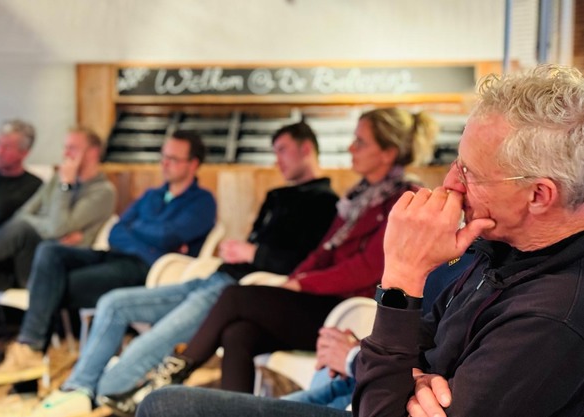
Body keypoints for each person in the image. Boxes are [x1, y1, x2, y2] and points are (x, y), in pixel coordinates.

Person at [138, 64, 584, 417]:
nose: (451, 182)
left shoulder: (551, 318)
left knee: (167, 404)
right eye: (456, 163)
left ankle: (157, 372)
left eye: (471, 172)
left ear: (538, 195)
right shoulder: (496, 249)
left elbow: (386, 347)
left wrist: (402, 275)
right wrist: (411, 375)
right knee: (203, 365)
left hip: (364, 371)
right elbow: (421, 336)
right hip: (370, 385)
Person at [101, 107, 438, 417]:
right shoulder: (359, 196)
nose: (351, 148)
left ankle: (167, 376)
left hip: (352, 313)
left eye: (360, 142)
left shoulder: (402, 199)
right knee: (238, 333)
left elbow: (367, 269)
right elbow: (322, 252)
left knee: (235, 296)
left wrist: (300, 283)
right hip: (321, 301)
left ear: (387, 152)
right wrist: (296, 279)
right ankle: (231, 411)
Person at [22, 121, 339, 417]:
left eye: (282, 150)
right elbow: (119, 230)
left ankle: (98, 394)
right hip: (214, 275)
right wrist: (241, 251)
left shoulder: (324, 203)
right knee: (112, 302)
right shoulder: (275, 196)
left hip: (241, 291)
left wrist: (254, 252)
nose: (276, 159)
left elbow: (304, 263)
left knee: (160, 335)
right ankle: (78, 387)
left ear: (305, 149)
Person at [0, 130, 217, 388]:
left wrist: (138, 231)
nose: (165, 163)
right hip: (115, 256)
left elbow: (167, 236)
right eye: (163, 157)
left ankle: (27, 365)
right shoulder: (152, 195)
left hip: (148, 270)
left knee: (50, 286)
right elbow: (117, 231)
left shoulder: (203, 202)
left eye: (173, 159)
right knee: (50, 251)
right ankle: (30, 353)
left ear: (193, 164)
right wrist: (148, 239)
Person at [0, 126, 115, 326]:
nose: (66, 154)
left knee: (22, 229)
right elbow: (23, 213)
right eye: (65, 148)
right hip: (20, 261)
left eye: (72, 148)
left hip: (51, 268)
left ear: (93, 153)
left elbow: (57, 227)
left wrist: (65, 187)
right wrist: (49, 226)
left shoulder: (102, 192)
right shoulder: (56, 180)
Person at [281, 253, 474, 410]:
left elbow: (365, 267)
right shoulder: (468, 256)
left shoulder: (480, 267)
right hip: (382, 372)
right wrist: (365, 352)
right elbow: (426, 329)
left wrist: (355, 358)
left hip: (401, 390)